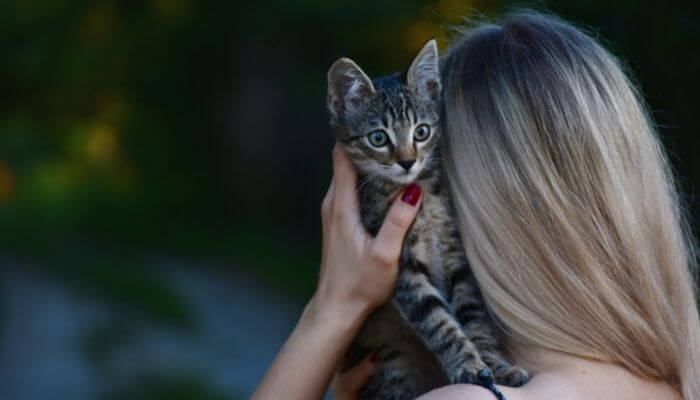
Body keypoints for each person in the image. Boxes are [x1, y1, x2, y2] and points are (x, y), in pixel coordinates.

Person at [251, 11, 700, 400]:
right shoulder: (683, 378)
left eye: (440, 164)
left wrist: (331, 308)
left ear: (499, 198)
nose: (413, 166)